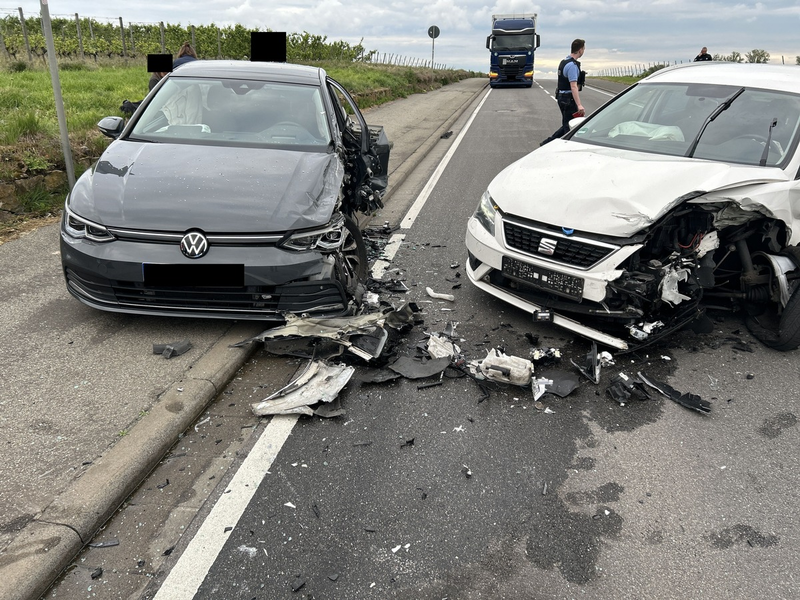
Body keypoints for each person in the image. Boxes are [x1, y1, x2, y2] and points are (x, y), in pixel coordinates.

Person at [540, 39, 586, 146]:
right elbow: (573, 86)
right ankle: (561, 146)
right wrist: (579, 105)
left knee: (568, 123)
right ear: (580, 50)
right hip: (568, 99)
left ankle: (547, 143)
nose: (583, 51)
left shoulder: (564, 62)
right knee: (570, 126)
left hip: (561, 97)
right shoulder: (573, 66)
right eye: (583, 49)